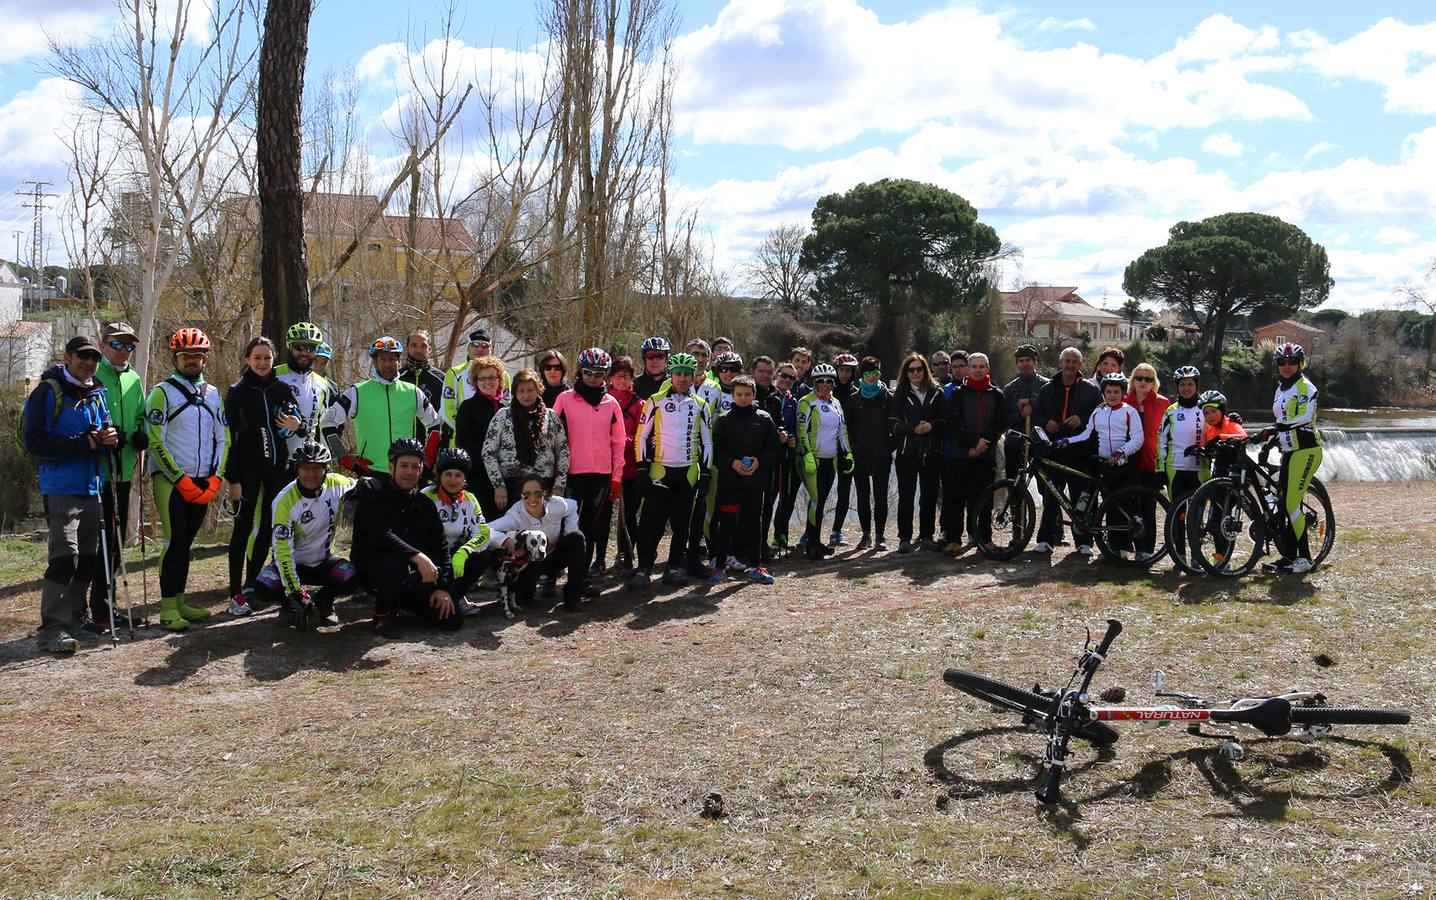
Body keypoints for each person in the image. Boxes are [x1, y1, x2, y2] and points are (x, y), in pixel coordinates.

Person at [24, 335, 117, 652]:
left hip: (93, 485)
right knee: (66, 557)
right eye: (82, 356)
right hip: (60, 486)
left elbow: (104, 430)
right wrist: (81, 444)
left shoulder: (97, 393)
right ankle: (52, 627)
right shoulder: (47, 392)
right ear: (67, 357)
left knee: (87, 560)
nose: (89, 362)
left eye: (93, 357)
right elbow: (33, 442)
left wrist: (110, 438)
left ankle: (76, 618)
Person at [146, 327, 231, 631]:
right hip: (171, 481)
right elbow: (156, 442)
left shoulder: (212, 394)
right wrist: (179, 478)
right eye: (186, 356)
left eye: (197, 355)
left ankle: (180, 600)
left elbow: (223, 438)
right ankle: (167, 608)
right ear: (175, 358)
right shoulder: (161, 392)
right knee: (174, 541)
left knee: (186, 543)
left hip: (203, 481)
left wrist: (216, 478)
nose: (192, 360)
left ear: (205, 359)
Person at [224, 337, 304, 616]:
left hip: (277, 469)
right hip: (246, 472)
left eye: (267, 358)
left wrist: (297, 424)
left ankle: (251, 584)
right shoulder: (237, 391)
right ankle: (234, 593)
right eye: (257, 357)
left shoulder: (281, 388)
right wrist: (232, 479)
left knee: (270, 528)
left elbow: (301, 425)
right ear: (247, 359)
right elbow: (229, 439)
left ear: (273, 360)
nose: (262, 363)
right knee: (242, 528)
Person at [351, 438, 460, 637]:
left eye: (414, 467)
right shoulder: (373, 494)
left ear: (421, 470)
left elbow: (441, 546)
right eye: (403, 465)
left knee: (452, 620)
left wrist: (443, 587)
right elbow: (381, 536)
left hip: (412, 575)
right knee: (394, 564)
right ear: (391, 466)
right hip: (375, 570)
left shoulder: (424, 503)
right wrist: (418, 557)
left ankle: (405, 602)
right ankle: (382, 615)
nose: (409, 472)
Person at [248, 441, 361, 629]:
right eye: (305, 468)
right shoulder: (284, 501)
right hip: (292, 563)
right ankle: (287, 605)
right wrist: (296, 595)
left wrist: (370, 483)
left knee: (354, 577)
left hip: (323, 561)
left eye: (317, 468)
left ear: (326, 469)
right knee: (263, 587)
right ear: (296, 469)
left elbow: (360, 485)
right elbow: (283, 552)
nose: (311, 474)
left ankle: (324, 601)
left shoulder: (337, 483)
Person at [628, 352, 711, 590]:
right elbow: (641, 436)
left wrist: (705, 473)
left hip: (688, 470)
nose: (682, 378)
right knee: (650, 521)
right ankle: (644, 567)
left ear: (694, 376)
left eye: (687, 374)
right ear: (671, 375)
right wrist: (642, 468)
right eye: (678, 374)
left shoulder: (701, 405)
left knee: (682, 524)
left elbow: (708, 442)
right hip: (659, 470)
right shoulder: (655, 400)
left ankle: (673, 567)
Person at [88, 322, 146, 634]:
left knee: (117, 541)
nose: (123, 352)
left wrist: (140, 435)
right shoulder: (94, 374)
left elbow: (140, 415)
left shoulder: (134, 378)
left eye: (128, 347)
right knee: (101, 542)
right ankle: (97, 608)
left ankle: (105, 603)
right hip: (98, 472)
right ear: (103, 343)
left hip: (123, 472)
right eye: (117, 345)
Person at [553, 348, 627, 574]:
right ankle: (553, 571)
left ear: (605, 375)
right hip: (572, 473)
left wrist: (616, 477)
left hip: (601, 475)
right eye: (588, 372)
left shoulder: (611, 403)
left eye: (598, 373)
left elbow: (619, 442)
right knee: (567, 526)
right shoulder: (564, 399)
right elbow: (552, 437)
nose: (593, 378)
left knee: (590, 526)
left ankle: (581, 575)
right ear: (579, 372)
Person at [321, 336, 441, 474]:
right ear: (375, 363)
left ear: (398, 361)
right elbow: (327, 422)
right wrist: (343, 458)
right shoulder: (356, 392)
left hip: (405, 475)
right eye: (382, 359)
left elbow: (434, 424)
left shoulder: (413, 391)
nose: (387, 364)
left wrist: (427, 459)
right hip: (370, 472)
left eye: (392, 359)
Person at [1055, 372, 1142, 556]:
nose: (1111, 395)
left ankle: (1123, 548)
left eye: (1116, 391)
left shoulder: (1129, 412)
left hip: (1122, 465)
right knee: (1107, 506)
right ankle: (1110, 546)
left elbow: (1138, 438)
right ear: (1103, 392)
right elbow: (1087, 435)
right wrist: (1068, 440)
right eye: (1108, 391)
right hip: (1103, 464)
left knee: (1120, 506)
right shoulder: (1098, 412)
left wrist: (1122, 451)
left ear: (1123, 393)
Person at [707, 375, 780, 584]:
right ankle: (720, 567)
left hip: (755, 482)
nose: (743, 398)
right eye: (738, 394)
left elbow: (774, 448)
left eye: (747, 394)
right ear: (732, 395)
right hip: (730, 482)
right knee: (727, 524)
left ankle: (756, 567)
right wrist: (731, 463)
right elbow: (716, 451)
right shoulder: (723, 420)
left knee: (753, 523)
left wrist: (759, 461)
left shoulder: (764, 418)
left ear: (754, 395)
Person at [485, 475, 596, 611]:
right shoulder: (515, 514)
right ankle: (518, 591)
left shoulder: (557, 504)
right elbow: (484, 530)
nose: (532, 499)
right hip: (529, 563)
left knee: (576, 538)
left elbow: (573, 506)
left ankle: (573, 596)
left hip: (554, 556)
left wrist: (569, 529)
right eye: (527, 495)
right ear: (521, 496)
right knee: (524, 600)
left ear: (545, 493)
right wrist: (507, 542)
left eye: (537, 494)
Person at [1259, 343, 1323, 574]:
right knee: (1283, 505)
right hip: (1288, 451)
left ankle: (1305, 559)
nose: (1287, 366)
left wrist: (1274, 428)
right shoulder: (1281, 389)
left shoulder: (1306, 387)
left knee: (1290, 504)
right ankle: (1288, 556)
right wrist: (1270, 443)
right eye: (1282, 362)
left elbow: (1304, 418)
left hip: (1306, 450)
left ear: (1300, 364)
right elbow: (1283, 423)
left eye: (1291, 362)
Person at [1034, 347, 1102, 553]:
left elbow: (1100, 413)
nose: (1070, 365)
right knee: (1051, 497)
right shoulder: (1047, 388)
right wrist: (1046, 423)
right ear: (1060, 363)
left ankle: (1084, 542)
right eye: (1067, 361)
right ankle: (1046, 538)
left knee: (1079, 498)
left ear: (1080, 365)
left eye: (1075, 362)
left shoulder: (1090, 389)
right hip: (1054, 450)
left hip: (1080, 451)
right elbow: (1037, 414)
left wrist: (1082, 418)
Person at [482, 368, 569, 509]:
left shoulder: (551, 417)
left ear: (538, 390)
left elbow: (563, 453)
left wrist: (559, 486)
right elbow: (488, 453)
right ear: (514, 393)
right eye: (521, 391)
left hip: (544, 486)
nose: (526, 395)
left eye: (530, 390)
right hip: (511, 487)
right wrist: (498, 485)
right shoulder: (503, 416)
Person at [420, 448, 493, 610]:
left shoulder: (470, 499)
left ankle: (456, 596)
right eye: (448, 474)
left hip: (455, 554)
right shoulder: (426, 496)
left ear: (465, 478)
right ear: (440, 476)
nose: (453, 480)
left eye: (458, 475)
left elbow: (483, 533)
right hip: (430, 557)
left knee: (483, 556)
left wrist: (464, 552)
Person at [948, 353, 1006, 552]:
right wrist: (972, 443)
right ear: (968, 369)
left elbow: (1000, 422)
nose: (978, 370)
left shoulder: (997, 394)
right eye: (974, 366)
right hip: (960, 454)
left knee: (984, 499)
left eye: (982, 366)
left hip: (986, 455)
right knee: (957, 498)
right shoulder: (958, 393)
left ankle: (983, 540)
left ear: (987, 369)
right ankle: (954, 540)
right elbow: (955, 422)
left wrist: (983, 444)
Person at [795, 363, 853, 559]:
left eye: (829, 381)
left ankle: (816, 541)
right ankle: (812, 544)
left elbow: (842, 430)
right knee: (816, 501)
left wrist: (848, 453)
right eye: (821, 381)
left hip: (830, 460)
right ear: (815, 382)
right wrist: (807, 454)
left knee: (821, 500)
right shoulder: (806, 402)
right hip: (812, 460)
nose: (825, 384)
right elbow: (801, 430)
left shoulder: (835, 403)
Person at [889, 352, 945, 553]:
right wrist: (914, 429)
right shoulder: (900, 394)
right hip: (907, 453)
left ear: (926, 370)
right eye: (911, 369)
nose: (915, 373)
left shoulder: (937, 392)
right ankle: (904, 537)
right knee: (906, 496)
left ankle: (927, 536)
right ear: (906, 372)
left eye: (919, 369)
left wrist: (932, 425)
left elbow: (945, 420)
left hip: (931, 452)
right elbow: (893, 425)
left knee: (929, 497)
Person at [1157, 365, 1205, 565]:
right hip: (1175, 469)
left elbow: (1221, 424)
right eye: (1182, 384)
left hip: (1201, 470)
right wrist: (1160, 469)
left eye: (1190, 384)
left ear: (1196, 386)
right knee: (1178, 515)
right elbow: (1161, 441)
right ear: (1177, 388)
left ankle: (1196, 556)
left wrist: (1232, 419)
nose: (1186, 388)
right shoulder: (1170, 411)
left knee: (1197, 516)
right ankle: (1180, 556)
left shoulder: (1205, 408)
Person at [452, 354, 508, 518]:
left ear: (499, 380)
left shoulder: (508, 407)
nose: (488, 382)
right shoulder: (467, 407)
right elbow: (464, 443)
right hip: (479, 478)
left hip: (507, 476)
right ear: (476, 382)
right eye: (482, 378)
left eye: (492, 377)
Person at [846, 356, 893, 550]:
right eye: (868, 373)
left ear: (879, 374)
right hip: (860, 455)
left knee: (881, 496)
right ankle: (865, 535)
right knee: (863, 496)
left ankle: (880, 536)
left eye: (875, 373)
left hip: (882, 454)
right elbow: (846, 428)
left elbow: (895, 424)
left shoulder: (888, 397)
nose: (872, 377)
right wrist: (852, 448)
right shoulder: (853, 399)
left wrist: (890, 446)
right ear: (862, 375)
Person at [1125, 362, 1169, 560]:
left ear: (1154, 383)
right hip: (1127, 463)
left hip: (1151, 462)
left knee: (1148, 508)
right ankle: (1123, 547)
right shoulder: (1123, 401)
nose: (1142, 382)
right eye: (1139, 378)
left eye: (1148, 379)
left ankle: (1146, 550)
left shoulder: (1163, 403)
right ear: (1132, 381)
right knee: (1127, 507)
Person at [605, 356, 644, 571]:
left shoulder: (640, 405)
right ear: (610, 378)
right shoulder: (601, 401)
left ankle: (627, 553)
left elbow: (641, 436)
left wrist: (617, 440)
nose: (622, 380)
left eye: (626, 377)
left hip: (630, 467)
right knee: (602, 514)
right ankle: (598, 558)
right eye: (618, 376)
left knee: (628, 513)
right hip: (603, 466)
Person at [443, 328, 512, 442]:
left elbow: (506, 406)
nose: (480, 349)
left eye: (485, 345)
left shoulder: (503, 375)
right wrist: (466, 429)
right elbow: (447, 409)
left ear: (490, 350)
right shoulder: (454, 373)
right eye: (475, 344)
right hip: (463, 439)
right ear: (468, 348)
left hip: (496, 439)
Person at [276, 322, 337, 449]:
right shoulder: (273, 375)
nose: (304, 353)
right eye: (299, 347)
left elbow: (322, 425)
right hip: (275, 460)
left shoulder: (323, 385)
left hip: (306, 462)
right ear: (290, 346)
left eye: (310, 348)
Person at [751, 356, 786, 559]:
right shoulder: (746, 392)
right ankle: (745, 546)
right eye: (761, 371)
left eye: (768, 372)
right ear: (753, 372)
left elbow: (779, 423)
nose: (764, 375)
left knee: (767, 504)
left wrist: (783, 433)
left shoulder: (774, 397)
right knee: (748, 506)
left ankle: (762, 543)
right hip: (748, 459)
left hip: (769, 460)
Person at [828, 352, 860, 546]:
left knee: (844, 491)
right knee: (820, 491)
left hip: (849, 449)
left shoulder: (858, 393)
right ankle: (809, 531)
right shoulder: (827, 390)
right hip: (827, 448)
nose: (845, 374)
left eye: (848, 370)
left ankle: (836, 531)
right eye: (841, 369)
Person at [1002, 344, 1048, 480]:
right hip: (1015, 444)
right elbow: (1004, 419)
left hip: (1040, 444)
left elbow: (1050, 412)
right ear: (1017, 364)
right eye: (1021, 360)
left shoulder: (1046, 385)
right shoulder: (1009, 389)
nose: (1025, 363)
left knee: (1044, 486)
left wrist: (1032, 404)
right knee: (1014, 484)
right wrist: (1020, 415)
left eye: (1028, 360)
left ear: (1035, 362)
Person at [771, 361, 802, 553]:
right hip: (767, 456)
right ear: (776, 375)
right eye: (784, 375)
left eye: (792, 378)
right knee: (767, 498)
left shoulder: (794, 401)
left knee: (787, 496)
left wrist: (794, 438)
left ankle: (780, 534)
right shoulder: (766, 395)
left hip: (787, 455)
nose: (787, 380)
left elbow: (796, 428)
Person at [399, 329, 446, 416]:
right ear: (407, 349)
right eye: (414, 345)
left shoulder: (442, 379)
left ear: (430, 349)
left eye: (423, 346)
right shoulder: (397, 378)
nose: (418, 350)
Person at [634, 336, 671, 402]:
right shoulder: (634, 385)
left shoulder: (674, 385)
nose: (655, 361)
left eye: (660, 356)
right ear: (644, 359)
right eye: (650, 356)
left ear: (666, 360)